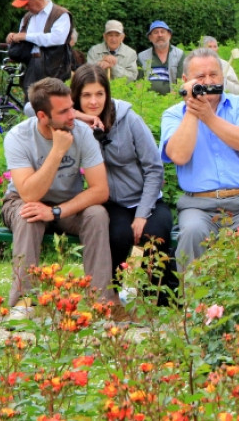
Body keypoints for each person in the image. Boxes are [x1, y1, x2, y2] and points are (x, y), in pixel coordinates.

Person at [1, 78, 122, 316]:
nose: (73, 115)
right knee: (29, 215)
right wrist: (57, 151)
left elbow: (100, 190)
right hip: (22, 200)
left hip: (67, 204)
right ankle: (24, 303)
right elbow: (29, 193)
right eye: (64, 111)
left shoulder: (81, 133)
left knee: (97, 213)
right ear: (42, 116)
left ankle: (101, 302)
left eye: (72, 108)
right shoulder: (18, 137)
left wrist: (56, 211)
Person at [161, 48, 239, 268]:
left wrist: (208, 118)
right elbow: (178, 155)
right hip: (199, 206)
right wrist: (192, 110)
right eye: (200, 77)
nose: (208, 81)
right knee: (191, 234)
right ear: (186, 81)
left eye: (214, 75)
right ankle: (192, 303)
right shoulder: (173, 114)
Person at [70, 65, 176, 304]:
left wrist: (141, 214)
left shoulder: (128, 119)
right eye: (86, 95)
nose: (94, 101)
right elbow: (32, 107)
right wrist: (78, 116)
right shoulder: (72, 121)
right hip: (112, 202)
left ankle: (156, 299)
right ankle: (112, 296)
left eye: (99, 94)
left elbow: (154, 168)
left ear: (107, 94)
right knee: (117, 235)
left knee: (155, 234)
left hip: (146, 199)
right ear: (76, 96)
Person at [6, 0, 74, 89]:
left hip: (53, 68)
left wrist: (25, 36)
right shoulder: (27, 17)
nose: (26, 8)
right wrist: (13, 38)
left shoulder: (61, 14)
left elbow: (56, 39)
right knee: (30, 103)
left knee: (50, 102)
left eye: (27, 4)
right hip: (30, 66)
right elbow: (22, 38)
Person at [138, 21, 186, 95]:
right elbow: (139, 83)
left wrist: (172, 98)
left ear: (169, 35)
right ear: (150, 38)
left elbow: (181, 81)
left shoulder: (179, 55)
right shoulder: (142, 56)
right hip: (147, 101)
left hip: (172, 99)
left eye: (162, 32)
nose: (159, 35)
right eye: (155, 32)